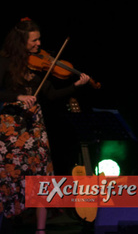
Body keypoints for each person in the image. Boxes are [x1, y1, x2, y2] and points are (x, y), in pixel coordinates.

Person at [0, 18, 91, 233]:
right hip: (12, 128)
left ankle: (41, 230)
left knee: (40, 176)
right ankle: (8, 223)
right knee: (9, 177)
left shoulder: (37, 65)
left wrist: (75, 86)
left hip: (35, 128)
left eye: (39, 39)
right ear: (21, 41)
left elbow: (51, 94)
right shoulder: (3, 62)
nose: (39, 44)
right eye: (34, 40)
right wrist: (18, 96)